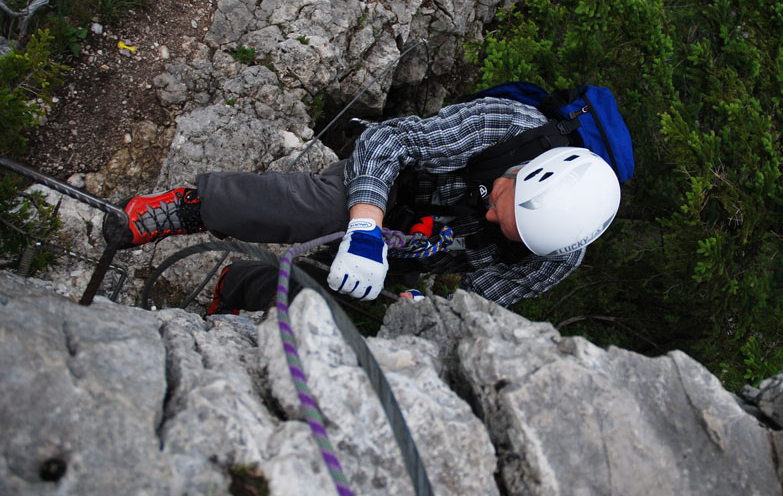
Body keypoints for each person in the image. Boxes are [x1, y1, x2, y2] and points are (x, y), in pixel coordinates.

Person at [104, 96, 622, 310]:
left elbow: (482, 302)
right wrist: (368, 227)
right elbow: (390, 141)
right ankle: (187, 207)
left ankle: (236, 286)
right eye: (499, 202)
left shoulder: (554, 253)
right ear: (527, 173)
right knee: (320, 211)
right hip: (390, 186)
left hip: (427, 246)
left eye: (505, 228)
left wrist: (425, 310)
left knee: (332, 293)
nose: (491, 215)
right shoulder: (509, 129)